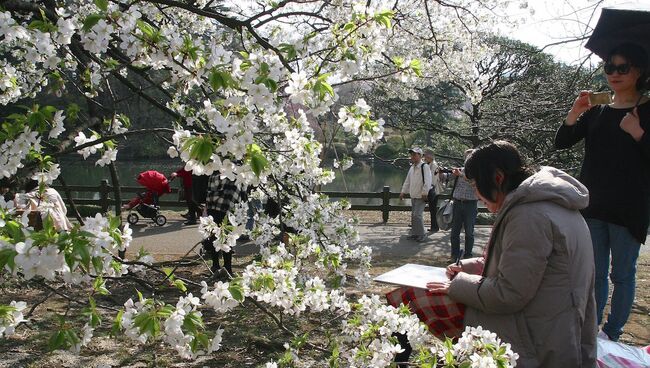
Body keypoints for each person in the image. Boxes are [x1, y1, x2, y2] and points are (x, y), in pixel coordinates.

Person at [390, 141, 597, 367]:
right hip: (554, 326)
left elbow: (509, 294)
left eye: (477, 184)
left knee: (407, 298)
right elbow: (518, 267)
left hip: (534, 337)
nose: (476, 193)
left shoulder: (529, 215)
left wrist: (456, 285)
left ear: (498, 178)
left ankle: (398, 360)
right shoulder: (550, 205)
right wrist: (466, 267)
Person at [554, 42, 650, 342]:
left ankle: (611, 333)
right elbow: (562, 142)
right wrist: (575, 111)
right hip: (592, 205)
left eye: (623, 67)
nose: (615, 73)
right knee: (592, 274)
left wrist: (638, 133)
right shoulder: (598, 112)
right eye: (610, 67)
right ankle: (590, 329)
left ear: (639, 71)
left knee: (622, 275)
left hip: (628, 208)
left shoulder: (646, 111)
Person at [202, 171, 246, 276]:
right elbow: (241, 190)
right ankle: (227, 268)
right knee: (226, 239)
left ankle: (216, 266)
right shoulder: (235, 172)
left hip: (213, 207)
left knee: (214, 237)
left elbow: (208, 190)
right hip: (228, 209)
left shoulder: (213, 173)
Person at [449, 149, 478, 260]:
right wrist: (441, 173)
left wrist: (460, 174)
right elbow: (447, 179)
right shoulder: (459, 170)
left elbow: (472, 182)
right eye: (466, 157)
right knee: (454, 232)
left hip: (470, 204)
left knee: (469, 232)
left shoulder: (477, 172)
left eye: (469, 157)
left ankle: (468, 255)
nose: (467, 159)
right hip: (457, 203)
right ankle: (454, 255)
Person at [399, 147, 431, 242]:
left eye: (414, 154)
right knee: (414, 215)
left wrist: (425, 193)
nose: (412, 156)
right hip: (413, 195)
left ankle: (422, 234)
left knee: (417, 215)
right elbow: (407, 181)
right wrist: (403, 192)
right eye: (411, 154)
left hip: (421, 196)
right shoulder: (412, 168)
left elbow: (428, 181)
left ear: (420, 156)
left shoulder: (424, 166)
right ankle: (414, 234)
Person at [423, 150, 444, 232]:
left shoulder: (434, 166)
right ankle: (434, 226)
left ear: (429, 157)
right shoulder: (430, 164)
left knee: (433, 209)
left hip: (433, 190)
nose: (424, 158)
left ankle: (434, 227)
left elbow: (432, 179)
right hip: (432, 189)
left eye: (425, 156)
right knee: (432, 209)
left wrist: (428, 188)